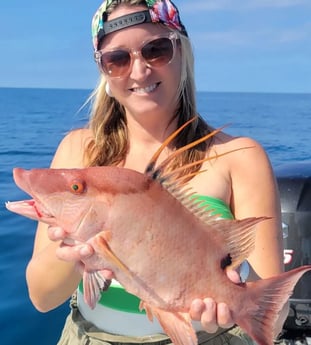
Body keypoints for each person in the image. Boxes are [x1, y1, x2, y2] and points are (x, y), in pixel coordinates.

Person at [25, 0, 288, 344]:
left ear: (182, 52)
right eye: (117, 59)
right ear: (103, 70)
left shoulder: (240, 157)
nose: (139, 71)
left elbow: (273, 314)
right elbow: (42, 298)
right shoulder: (79, 153)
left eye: (156, 50)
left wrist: (232, 305)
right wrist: (77, 246)